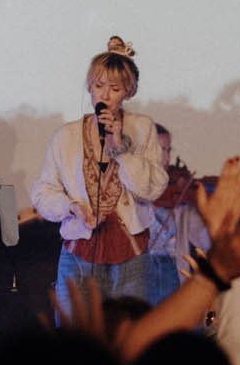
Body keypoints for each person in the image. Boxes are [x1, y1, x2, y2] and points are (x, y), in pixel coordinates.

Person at [30, 36, 169, 307]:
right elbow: (43, 192)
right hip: (79, 251)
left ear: (128, 91)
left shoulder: (142, 128)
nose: (104, 96)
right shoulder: (66, 136)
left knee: (131, 326)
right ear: (89, 88)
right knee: (76, 329)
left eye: (114, 89)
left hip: (131, 252)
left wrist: (120, 148)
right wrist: (72, 207)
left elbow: (151, 188)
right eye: (98, 86)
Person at [144, 122, 212, 303]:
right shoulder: (130, 192)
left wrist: (209, 215)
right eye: (161, 151)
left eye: (168, 151)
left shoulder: (181, 201)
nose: (167, 158)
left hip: (171, 275)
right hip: (139, 275)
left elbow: (206, 241)